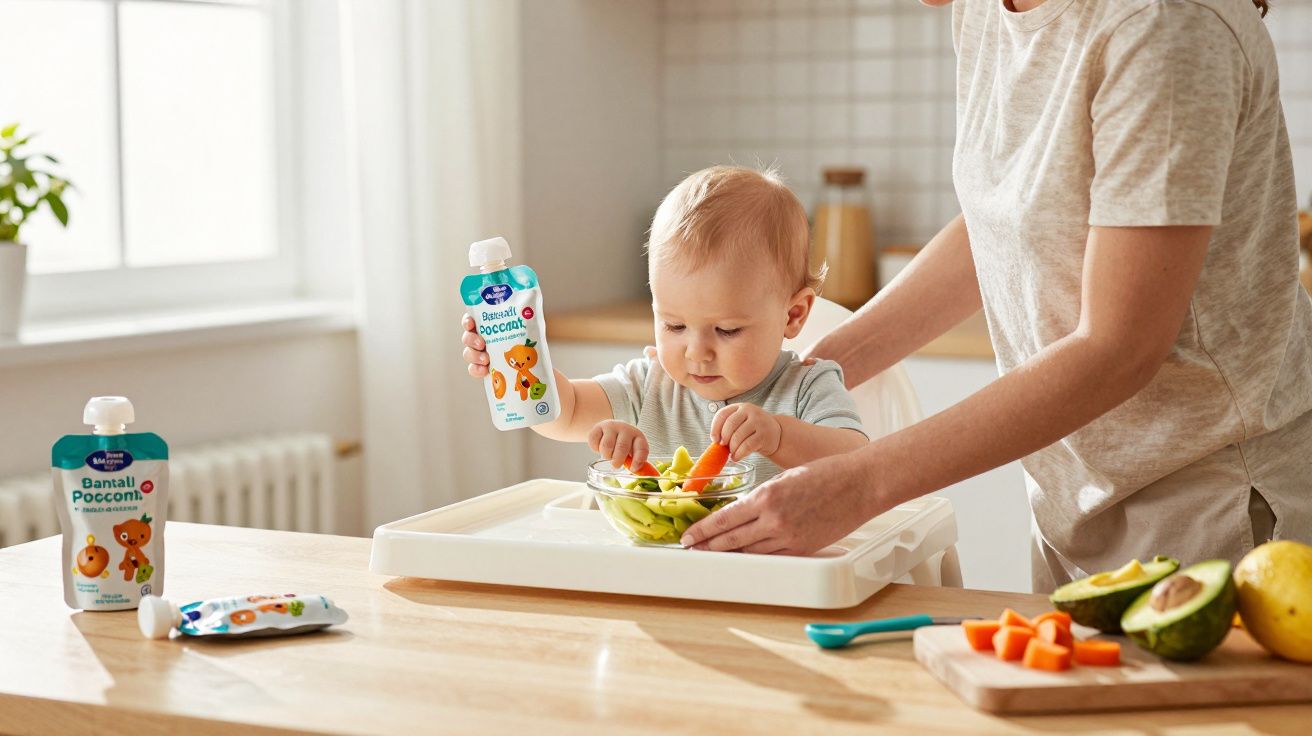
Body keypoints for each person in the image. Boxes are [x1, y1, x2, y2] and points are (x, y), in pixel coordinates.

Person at [681, 0, 1312, 590]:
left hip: (1218, 513)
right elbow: (1009, 219)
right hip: (1074, 506)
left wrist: (862, 485)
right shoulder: (988, 6)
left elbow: (1120, 347)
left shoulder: (1164, 26)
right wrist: (805, 373)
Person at [461, 165, 869, 490]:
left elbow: (856, 463)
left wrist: (779, 436)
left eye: (727, 330)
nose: (696, 352)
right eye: (674, 325)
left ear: (793, 316)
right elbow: (562, 414)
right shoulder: (647, 384)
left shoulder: (807, 387)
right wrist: (515, 365)